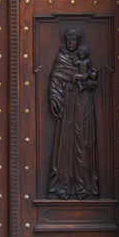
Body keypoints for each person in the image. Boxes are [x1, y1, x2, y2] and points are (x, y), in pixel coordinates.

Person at [48, 28, 99, 200]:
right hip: (67, 106)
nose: (71, 43)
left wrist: (87, 83)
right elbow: (55, 79)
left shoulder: (83, 60)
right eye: (68, 40)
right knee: (66, 143)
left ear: (78, 42)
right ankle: (62, 184)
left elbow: (93, 79)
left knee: (82, 142)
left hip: (82, 105)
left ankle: (83, 185)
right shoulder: (61, 59)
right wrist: (54, 97)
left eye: (74, 40)